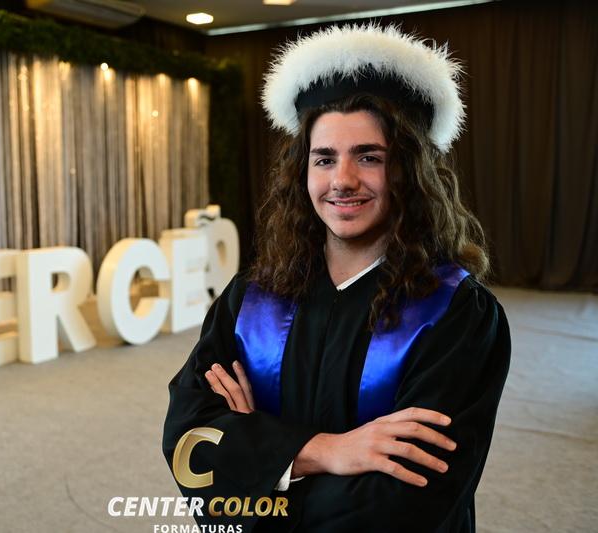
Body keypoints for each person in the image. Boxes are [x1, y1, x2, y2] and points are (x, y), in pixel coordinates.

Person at [162, 24, 511, 532]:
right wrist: (326, 451)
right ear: (302, 172)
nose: (342, 180)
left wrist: (259, 456)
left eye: (369, 157)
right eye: (324, 158)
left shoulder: (456, 314)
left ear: (409, 171)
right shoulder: (251, 301)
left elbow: (408, 501)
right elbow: (190, 443)